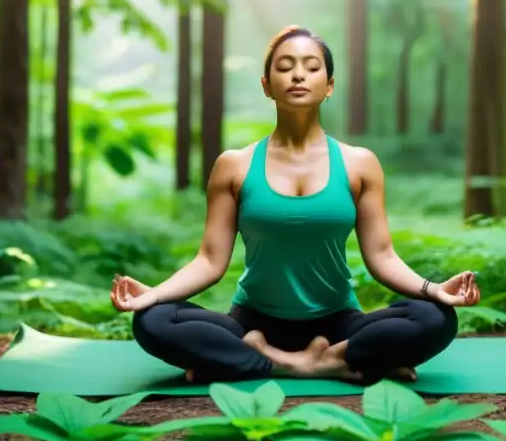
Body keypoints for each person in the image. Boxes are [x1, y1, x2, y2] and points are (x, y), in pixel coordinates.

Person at [110, 25, 481, 384]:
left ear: (329, 85)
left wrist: (434, 290)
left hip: (337, 324)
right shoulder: (234, 165)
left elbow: (383, 256)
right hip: (251, 324)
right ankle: (310, 363)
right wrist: (153, 294)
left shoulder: (359, 163)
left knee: (436, 319)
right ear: (267, 86)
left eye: (312, 67)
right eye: (285, 67)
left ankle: (277, 359)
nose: (298, 75)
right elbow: (209, 260)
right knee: (153, 321)